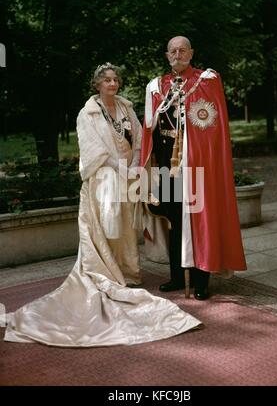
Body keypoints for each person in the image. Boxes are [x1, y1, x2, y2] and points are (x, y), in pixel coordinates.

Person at [2, 63, 201, 347]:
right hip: (104, 178)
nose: (112, 83)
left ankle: (128, 272)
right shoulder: (88, 113)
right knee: (108, 226)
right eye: (107, 80)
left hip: (128, 174)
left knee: (125, 226)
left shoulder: (126, 108)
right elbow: (93, 150)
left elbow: (139, 138)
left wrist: (134, 163)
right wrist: (120, 168)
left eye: (115, 79)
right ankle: (107, 273)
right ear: (97, 84)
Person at [140, 36, 247, 300]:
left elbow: (212, 129)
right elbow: (149, 128)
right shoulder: (157, 86)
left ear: (191, 53)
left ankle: (201, 280)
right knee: (175, 220)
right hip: (167, 164)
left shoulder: (206, 80)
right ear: (167, 55)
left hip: (198, 164)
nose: (177, 54)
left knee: (200, 219)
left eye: (182, 50)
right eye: (173, 51)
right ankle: (178, 276)